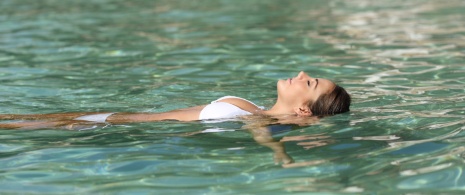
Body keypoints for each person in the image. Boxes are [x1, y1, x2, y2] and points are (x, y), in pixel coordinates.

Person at [0, 71, 351, 130]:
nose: (303, 74)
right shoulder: (256, 110)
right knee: (13, 117)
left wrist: (283, 157)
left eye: (311, 82)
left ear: (304, 108)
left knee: (15, 126)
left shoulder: (261, 123)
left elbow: (265, 138)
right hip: (108, 116)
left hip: (105, 129)